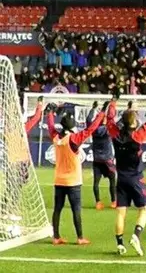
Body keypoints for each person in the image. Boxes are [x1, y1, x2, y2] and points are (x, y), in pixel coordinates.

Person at [106, 96, 146, 256]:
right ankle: (136, 236)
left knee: (120, 212)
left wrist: (113, 101)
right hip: (136, 178)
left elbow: (109, 119)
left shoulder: (115, 134)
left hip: (121, 178)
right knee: (145, 209)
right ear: (133, 123)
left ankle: (119, 244)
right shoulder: (138, 136)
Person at [47, 102, 107, 245]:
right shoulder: (73, 139)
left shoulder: (56, 137)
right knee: (76, 210)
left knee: (57, 209)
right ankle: (80, 237)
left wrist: (50, 113)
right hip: (73, 181)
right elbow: (91, 129)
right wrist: (102, 113)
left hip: (59, 180)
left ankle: (56, 237)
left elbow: (50, 126)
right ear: (71, 126)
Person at [88, 101, 117, 210]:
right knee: (112, 180)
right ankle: (114, 201)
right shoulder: (106, 129)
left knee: (96, 182)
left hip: (97, 159)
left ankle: (98, 202)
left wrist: (93, 108)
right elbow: (112, 119)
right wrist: (111, 106)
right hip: (107, 160)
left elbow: (88, 120)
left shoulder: (93, 129)